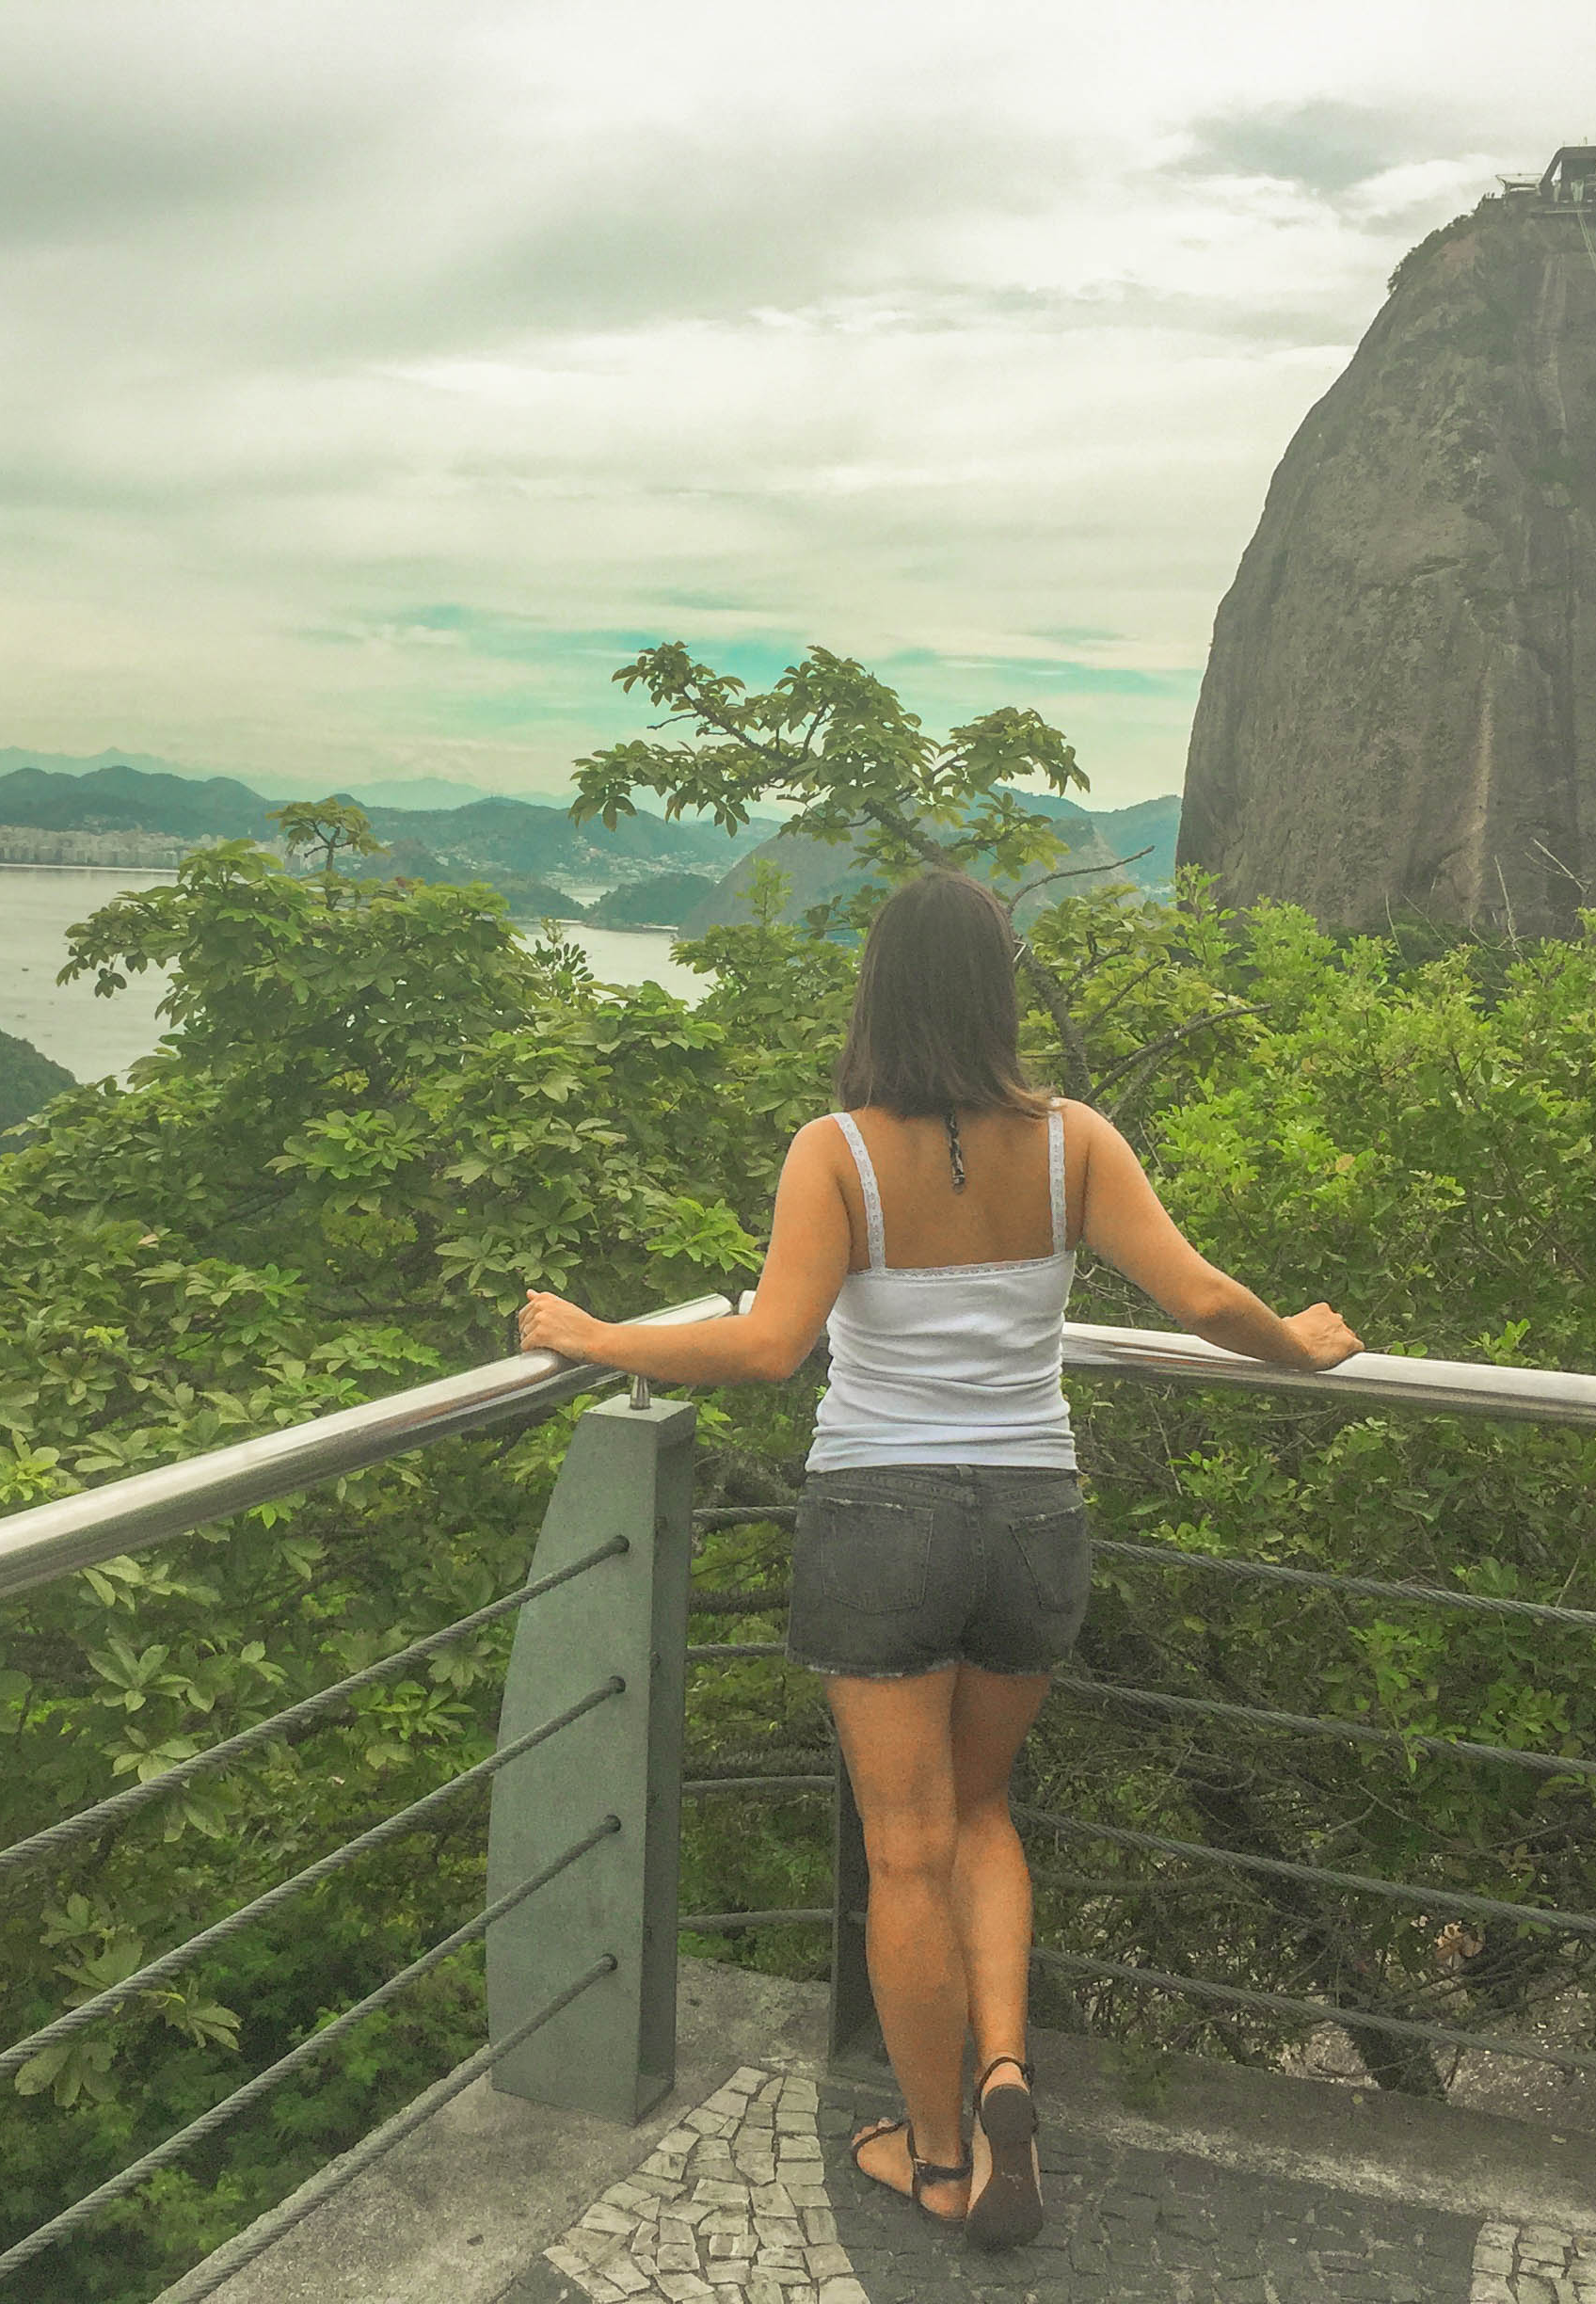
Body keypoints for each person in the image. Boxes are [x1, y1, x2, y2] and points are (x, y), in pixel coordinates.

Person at [519, 869, 1361, 2254]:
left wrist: (595, 1335)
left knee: (902, 1853)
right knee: (982, 1814)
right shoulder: (1073, 1142)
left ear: (877, 996)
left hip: (881, 1518)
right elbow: (1204, 1296)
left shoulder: (833, 1153)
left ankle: (937, 2152)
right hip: (1034, 1514)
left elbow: (766, 1345)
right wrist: (1305, 1344)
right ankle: (1008, 2070)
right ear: (997, 992)